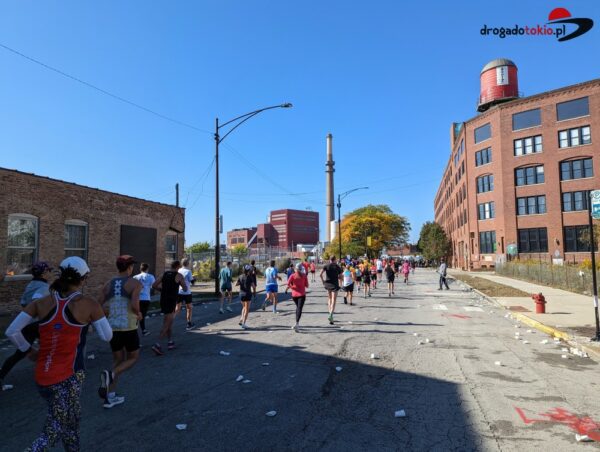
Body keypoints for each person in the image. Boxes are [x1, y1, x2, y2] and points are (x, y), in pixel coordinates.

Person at [5, 257, 112, 451]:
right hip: (69, 376)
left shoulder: (42, 302)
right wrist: (97, 318)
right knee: (54, 428)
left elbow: (12, 331)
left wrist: (29, 351)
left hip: (42, 376)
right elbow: (106, 336)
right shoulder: (89, 304)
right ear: (83, 279)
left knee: (72, 420)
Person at [99, 255, 142, 408]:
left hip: (113, 328)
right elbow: (135, 304)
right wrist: (139, 313)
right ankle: (110, 374)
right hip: (128, 326)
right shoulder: (135, 283)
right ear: (130, 267)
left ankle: (110, 397)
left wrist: (107, 314)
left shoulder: (108, 284)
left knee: (118, 360)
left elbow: (98, 305)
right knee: (133, 357)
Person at [0, 261, 53, 387]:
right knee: (52, 347)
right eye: (49, 271)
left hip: (26, 325)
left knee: (19, 354)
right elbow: (36, 301)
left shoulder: (31, 285)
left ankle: (1, 375)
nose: (50, 273)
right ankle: (49, 376)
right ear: (44, 273)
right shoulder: (44, 288)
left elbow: (24, 303)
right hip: (38, 324)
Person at [151, 261, 188, 355]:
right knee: (167, 323)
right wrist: (182, 283)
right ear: (178, 266)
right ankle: (157, 344)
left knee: (169, 322)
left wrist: (161, 290)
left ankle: (170, 342)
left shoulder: (164, 274)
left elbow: (154, 285)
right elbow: (185, 288)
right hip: (171, 301)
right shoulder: (179, 275)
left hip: (163, 300)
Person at [133, 263, 155, 336]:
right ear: (147, 269)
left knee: (136, 314)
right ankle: (143, 330)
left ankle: (134, 329)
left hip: (137, 298)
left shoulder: (135, 277)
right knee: (142, 314)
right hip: (146, 298)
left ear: (140, 269)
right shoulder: (150, 276)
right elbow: (153, 286)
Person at [320, 256, 342, 325]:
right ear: (335, 260)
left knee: (329, 299)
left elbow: (320, 274)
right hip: (335, 285)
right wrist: (340, 282)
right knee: (334, 300)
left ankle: (330, 314)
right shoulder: (338, 267)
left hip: (328, 284)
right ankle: (331, 314)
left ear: (330, 259)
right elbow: (340, 276)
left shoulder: (326, 266)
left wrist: (323, 281)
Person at [288, 263, 309, 332]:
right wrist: (302, 284)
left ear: (295, 269)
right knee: (299, 308)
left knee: (298, 308)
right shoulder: (304, 275)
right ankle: (297, 324)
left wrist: (293, 287)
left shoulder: (292, 275)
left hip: (294, 295)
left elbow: (288, 284)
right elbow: (307, 285)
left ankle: (296, 324)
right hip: (302, 295)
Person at [176, 258, 195, 330]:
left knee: (177, 308)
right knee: (189, 308)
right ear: (188, 263)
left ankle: (170, 320)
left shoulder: (179, 270)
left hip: (179, 292)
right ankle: (189, 323)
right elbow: (192, 282)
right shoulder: (188, 271)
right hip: (187, 292)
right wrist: (194, 278)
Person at [235, 265, 254, 329]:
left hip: (241, 294)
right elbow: (253, 286)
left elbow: (236, 284)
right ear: (248, 271)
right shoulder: (250, 277)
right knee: (247, 309)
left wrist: (241, 283)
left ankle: (241, 319)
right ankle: (243, 323)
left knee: (244, 307)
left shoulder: (240, 276)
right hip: (247, 294)